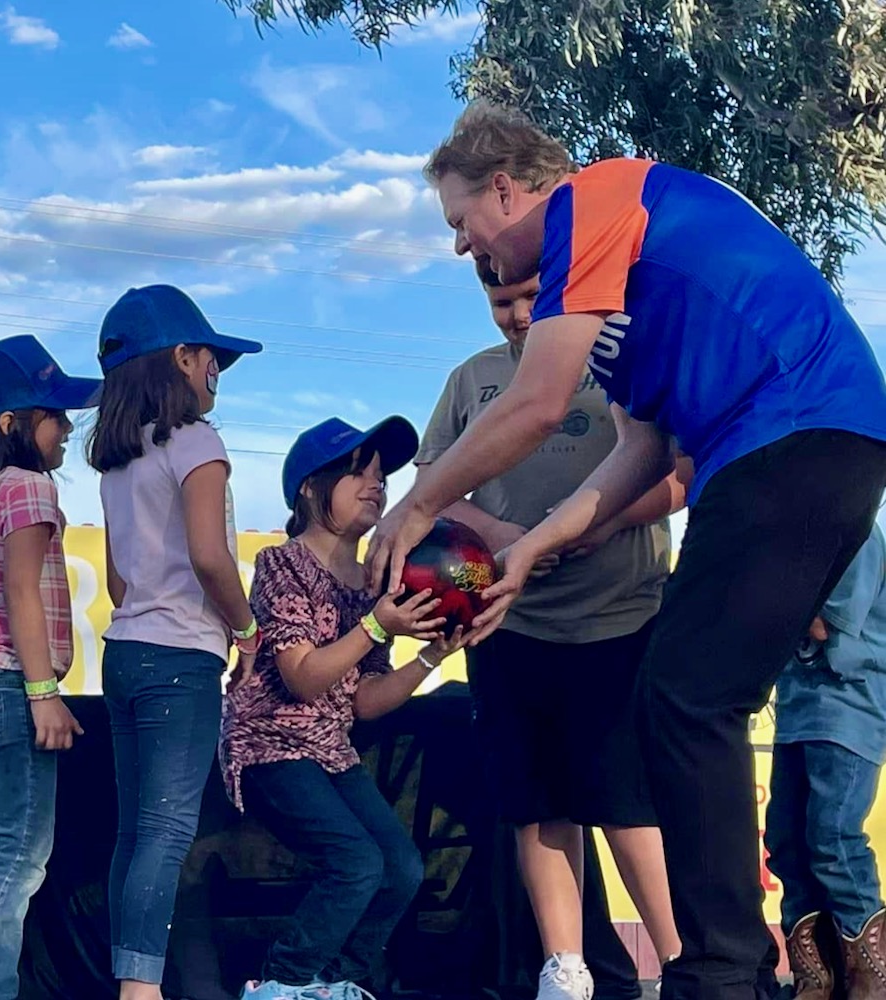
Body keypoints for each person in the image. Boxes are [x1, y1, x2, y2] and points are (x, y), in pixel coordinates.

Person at [366, 101, 886, 1000]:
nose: (462, 248)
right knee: (682, 699)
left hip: (798, 434)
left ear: (505, 186)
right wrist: (531, 549)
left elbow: (533, 405)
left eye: (461, 222)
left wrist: (420, 501)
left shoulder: (598, 200)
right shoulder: (617, 304)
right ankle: (727, 963)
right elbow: (639, 449)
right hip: (783, 451)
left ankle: (721, 970)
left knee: (687, 700)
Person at [416, 259, 683, 1000]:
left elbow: (676, 476)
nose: (520, 314)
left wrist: (597, 524)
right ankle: (564, 969)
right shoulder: (472, 380)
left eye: (534, 295)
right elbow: (435, 488)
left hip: (622, 618)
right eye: (503, 301)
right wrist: (502, 529)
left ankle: (681, 964)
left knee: (629, 804)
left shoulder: (622, 364)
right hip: (511, 621)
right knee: (537, 806)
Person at [221, 416, 469, 1000]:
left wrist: (432, 655)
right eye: (360, 471)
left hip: (331, 750)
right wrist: (377, 624)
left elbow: (365, 699)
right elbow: (304, 678)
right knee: (356, 863)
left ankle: (337, 983)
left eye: (382, 475)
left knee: (402, 868)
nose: (376, 485)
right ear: (310, 487)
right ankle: (279, 982)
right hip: (270, 745)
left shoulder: (370, 584)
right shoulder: (282, 565)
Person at [87, 284, 262, 1000]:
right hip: (180, 658)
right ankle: (140, 990)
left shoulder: (117, 461)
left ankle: (130, 979)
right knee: (165, 832)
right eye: (209, 357)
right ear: (181, 359)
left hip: (125, 651)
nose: (215, 371)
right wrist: (245, 630)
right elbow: (212, 557)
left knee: (135, 834)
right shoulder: (197, 442)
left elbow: (119, 584)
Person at [0, 335, 100, 1000]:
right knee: (19, 855)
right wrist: (43, 692)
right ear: (12, 424)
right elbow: (22, 594)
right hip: (7, 683)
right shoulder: (30, 489)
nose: (65, 430)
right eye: (54, 416)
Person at [765, 524, 886, 1000]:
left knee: (833, 835)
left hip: (848, 710)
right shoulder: (797, 535)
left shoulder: (855, 533)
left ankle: (870, 976)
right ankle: (815, 976)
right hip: (797, 709)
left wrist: (762, 588)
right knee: (786, 840)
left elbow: (824, 625)